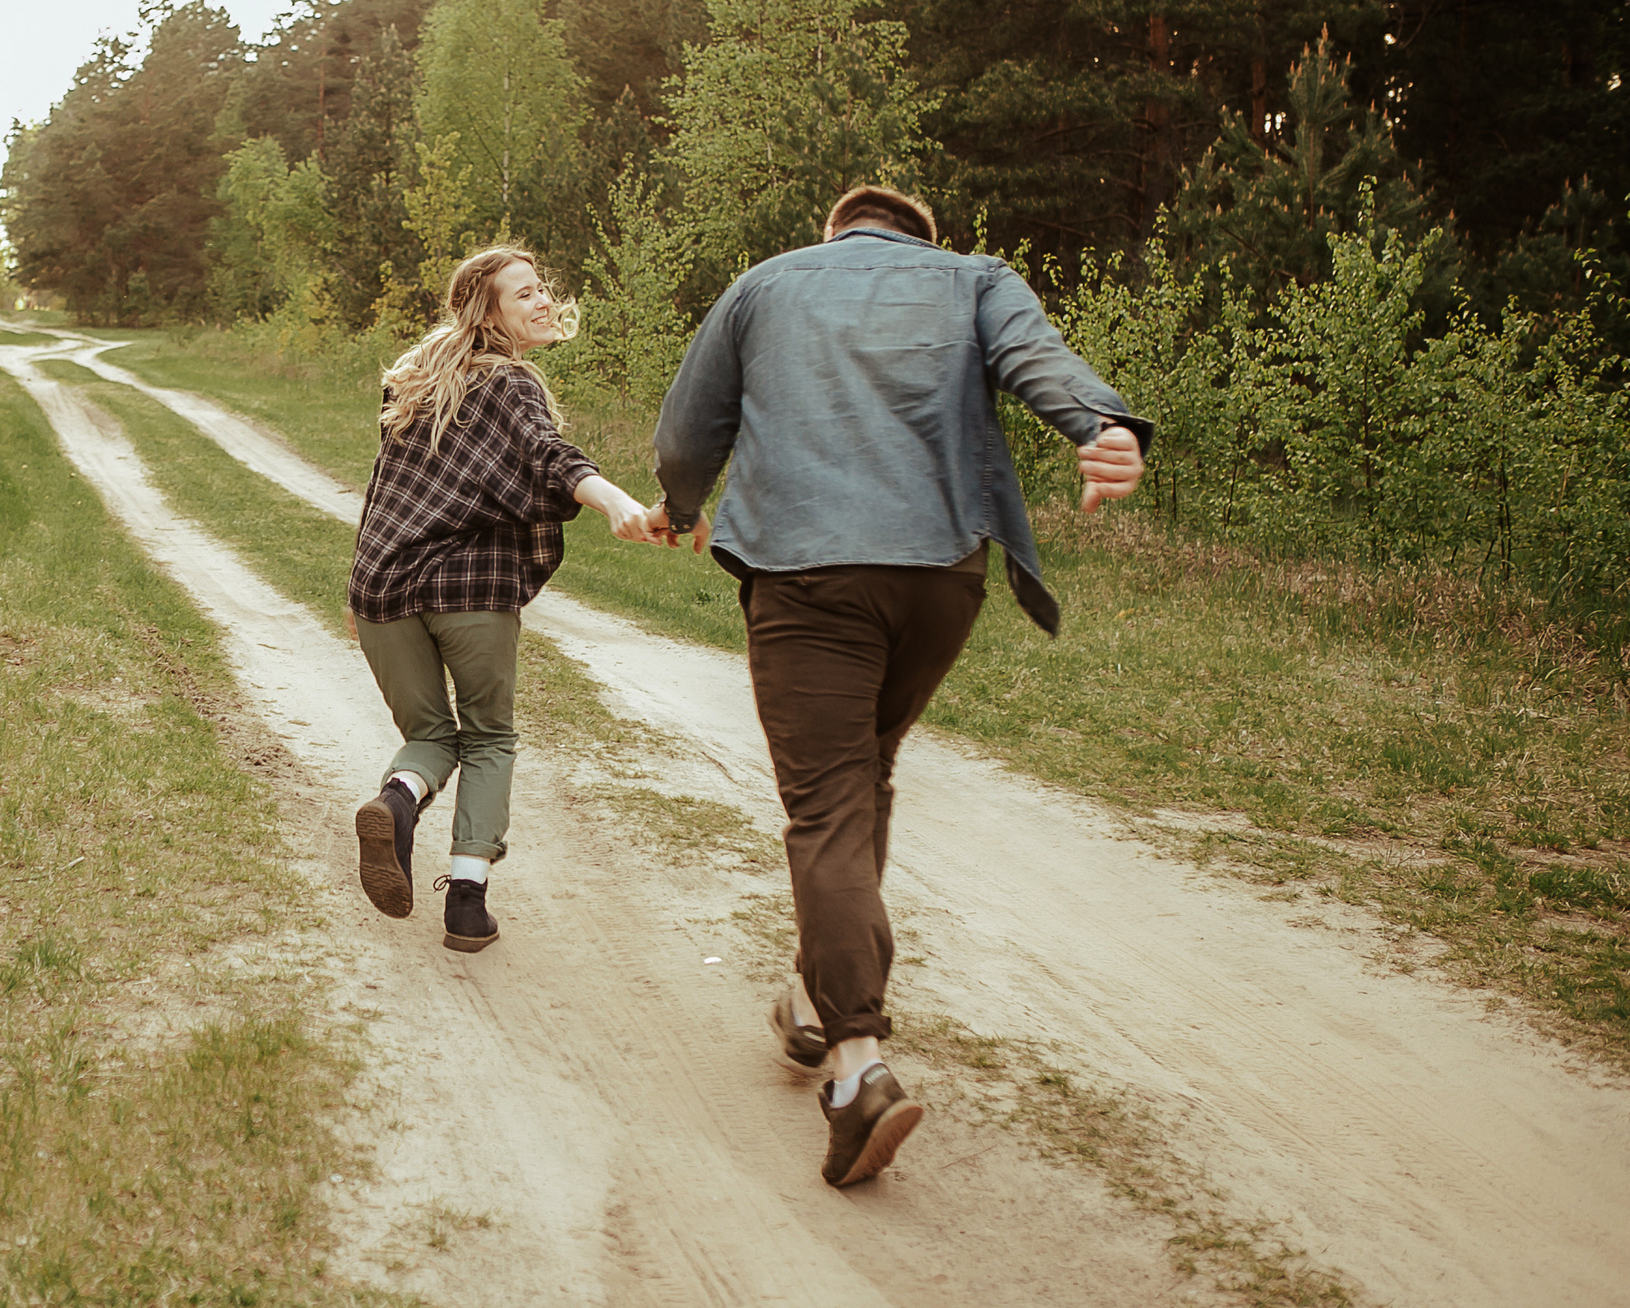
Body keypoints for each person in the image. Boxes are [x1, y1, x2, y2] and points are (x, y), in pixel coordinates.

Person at [649, 185, 1147, 1186]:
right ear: (921, 237)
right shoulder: (974, 278)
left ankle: (856, 1065)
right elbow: (1035, 361)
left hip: (810, 571)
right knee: (864, 770)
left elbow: (688, 429)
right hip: (940, 575)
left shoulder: (767, 281)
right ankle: (809, 987)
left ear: (834, 232)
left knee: (826, 799)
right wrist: (1103, 427)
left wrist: (679, 503)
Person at [349, 245, 653, 952]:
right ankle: (466, 901)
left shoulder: (414, 383)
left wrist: (358, 586)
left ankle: (395, 805)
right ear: (488, 315)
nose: (542, 301)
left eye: (542, 288)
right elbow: (550, 456)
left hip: (383, 588)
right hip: (470, 594)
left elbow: (382, 493)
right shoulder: (511, 385)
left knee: (429, 737)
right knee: (488, 736)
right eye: (524, 295)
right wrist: (614, 501)